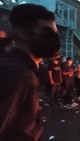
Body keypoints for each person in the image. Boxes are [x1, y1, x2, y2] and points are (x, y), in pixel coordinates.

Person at [0, 4, 60, 141]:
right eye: (46, 32)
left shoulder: (24, 69)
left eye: (55, 33)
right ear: (22, 33)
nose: (53, 38)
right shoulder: (17, 73)